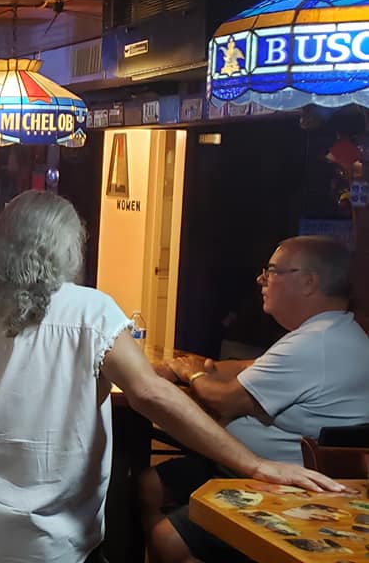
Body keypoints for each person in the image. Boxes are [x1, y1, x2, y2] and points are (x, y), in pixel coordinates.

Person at [0, 190, 341, 563]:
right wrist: (255, 464)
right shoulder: (89, 310)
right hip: (52, 535)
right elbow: (150, 393)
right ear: (67, 249)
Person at [143, 235, 369, 563]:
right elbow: (249, 367)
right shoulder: (328, 331)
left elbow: (224, 400)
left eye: (273, 271)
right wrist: (197, 367)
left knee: (167, 538)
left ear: (308, 282)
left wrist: (192, 375)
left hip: (284, 483)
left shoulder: (316, 343)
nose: (261, 280)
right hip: (249, 468)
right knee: (148, 485)